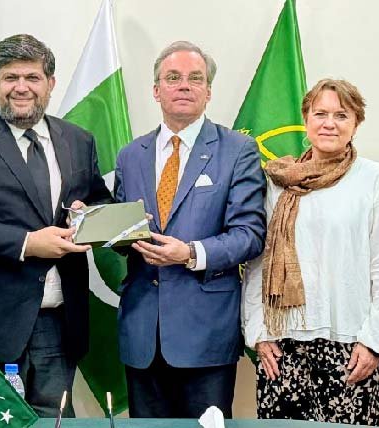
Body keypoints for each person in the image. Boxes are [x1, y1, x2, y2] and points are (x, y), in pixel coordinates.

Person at [0, 34, 112, 417]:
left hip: (60, 321)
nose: (21, 87)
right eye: (10, 77)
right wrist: (27, 243)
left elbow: (98, 200)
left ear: (50, 83)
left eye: (32, 77)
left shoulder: (78, 140)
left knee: (55, 423)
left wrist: (92, 216)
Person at [114, 40, 266, 418]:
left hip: (206, 334)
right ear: (156, 90)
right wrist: (94, 224)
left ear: (208, 91)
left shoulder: (238, 150)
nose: (184, 85)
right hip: (142, 334)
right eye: (173, 78)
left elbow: (250, 233)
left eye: (195, 78)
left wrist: (190, 253)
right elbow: (124, 235)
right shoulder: (130, 155)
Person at [242, 78, 379, 426]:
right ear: (306, 120)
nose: (329, 123)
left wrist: (374, 342)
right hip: (282, 344)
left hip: (351, 346)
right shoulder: (279, 182)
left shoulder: (375, 180)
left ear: (356, 123)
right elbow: (259, 264)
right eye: (320, 114)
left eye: (341, 115)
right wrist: (259, 334)